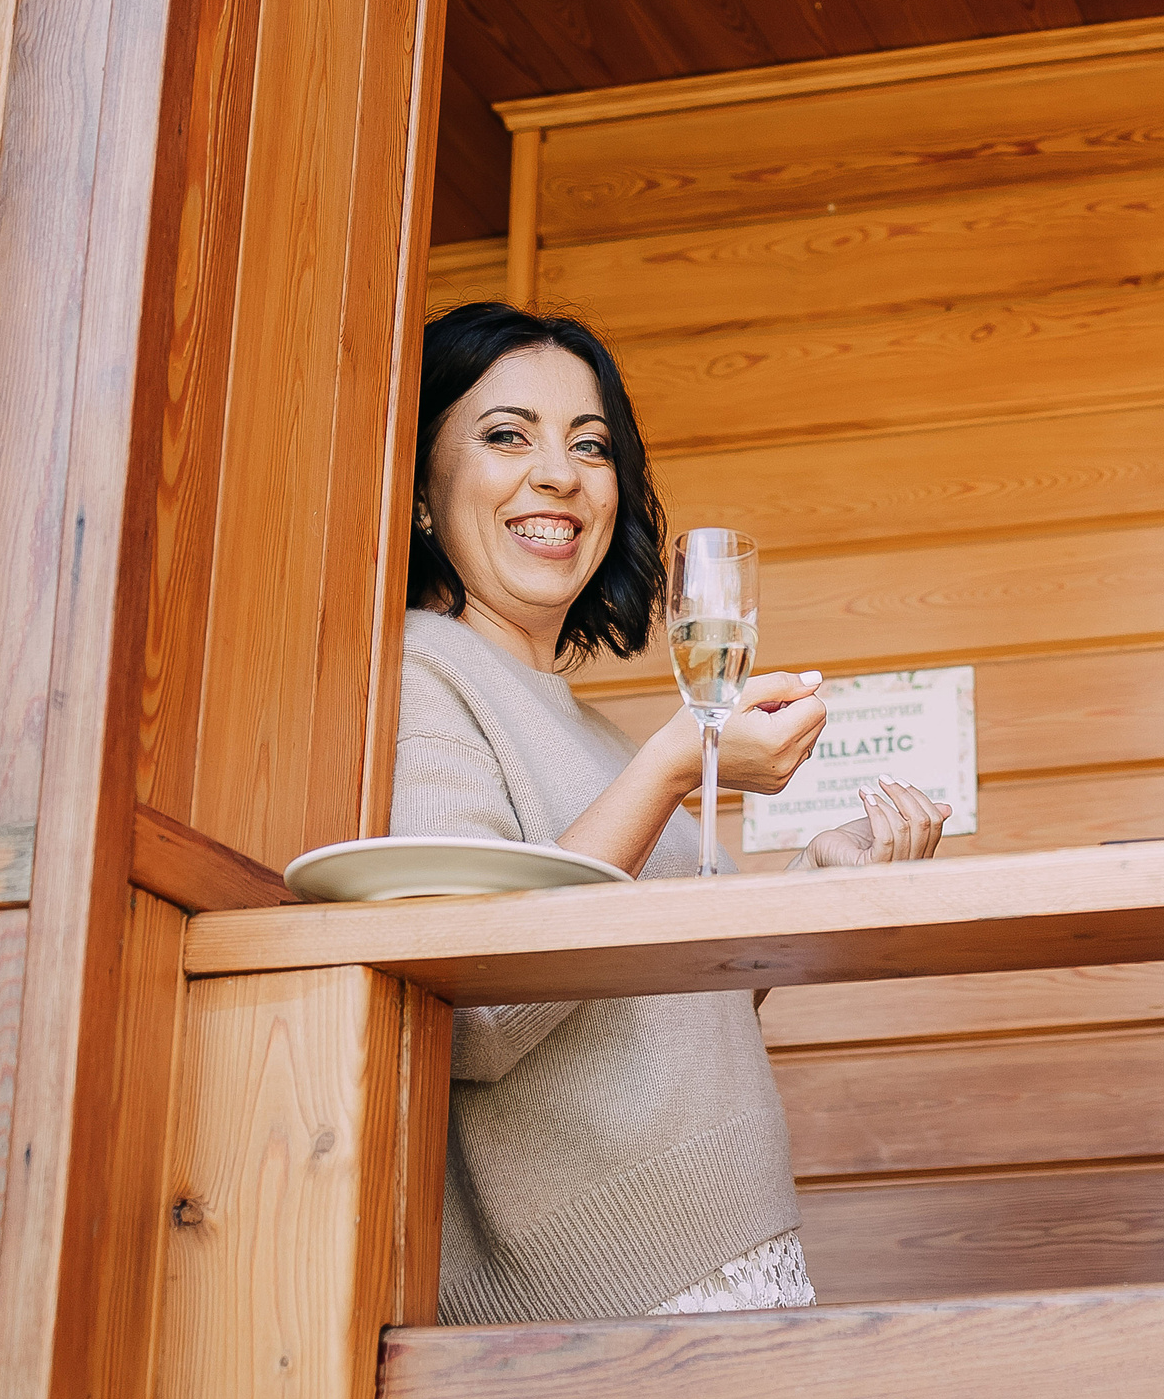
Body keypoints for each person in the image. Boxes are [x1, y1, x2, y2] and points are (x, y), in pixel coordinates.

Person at [397, 300, 951, 1325]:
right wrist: (670, 764)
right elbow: (476, 1014)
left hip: (739, 1246)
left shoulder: (599, 733)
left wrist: (821, 880)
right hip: (604, 1289)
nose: (558, 472)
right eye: (506, 434)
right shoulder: (423, 676)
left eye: (590, 444)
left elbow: (667, 1013)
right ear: (425, 495)